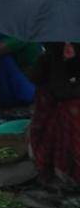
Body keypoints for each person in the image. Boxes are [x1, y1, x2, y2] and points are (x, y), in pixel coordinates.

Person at [29, 42, 80, 185]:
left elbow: (35, 77)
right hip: (56, 101)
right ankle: (56, 171)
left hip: (65, 102)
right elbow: (37, 77)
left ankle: (56, 171)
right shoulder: (52, 53)